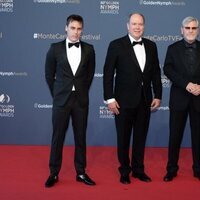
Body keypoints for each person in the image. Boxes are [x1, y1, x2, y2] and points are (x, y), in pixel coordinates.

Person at [103, 13, 162, 184]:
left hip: (145, 100)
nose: (137, 27)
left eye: (140, 24)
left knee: (140, 137)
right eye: (134, 23)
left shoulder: (151, 45)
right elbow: (108, 73)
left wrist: (158, 94)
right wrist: (109, 98)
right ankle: (124, 171)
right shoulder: (116, 45)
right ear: (127, 25)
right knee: (123, 138)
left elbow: (156, 72)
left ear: (144, 26)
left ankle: (138, 170)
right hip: (122, 101)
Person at [45, 14, 96, 187]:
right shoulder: (55, 48)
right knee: (57, 137)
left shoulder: (89, 49)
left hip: (80, 100)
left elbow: (89, 76)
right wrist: (58, 94)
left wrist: (80, 91)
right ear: (66, 28)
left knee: (80, 137)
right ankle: (53, 173)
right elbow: (48, 74)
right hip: (61, 100)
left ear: (82, 30)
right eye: (72, 28)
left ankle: (81, 173)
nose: (76, 32)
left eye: (79, 28)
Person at [163, 16, 200, 182]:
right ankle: (171, 169)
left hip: (199, 99)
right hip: (179, 98)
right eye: (188, 28)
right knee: (175, 135)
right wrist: (186, 84)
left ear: (197, 30)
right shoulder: (173, 48)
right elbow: (168, 69)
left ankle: (198, 169)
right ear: (181, 30)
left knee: (198, 136)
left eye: (194, 28)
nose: (190, 31)